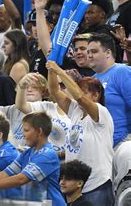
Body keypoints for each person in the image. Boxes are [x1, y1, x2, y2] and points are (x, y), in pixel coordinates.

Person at [0, 112, 66, 205]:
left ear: (39, 131)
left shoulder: (47, 155)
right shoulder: (28, 153)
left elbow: (21, 179)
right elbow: (5, 173)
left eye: (26, 130)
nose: (22, 134)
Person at [47, 61, 114, 205]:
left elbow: (79, 97)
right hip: (76, 186)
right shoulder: (75, 111)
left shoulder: (101, 112)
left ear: (96, 95)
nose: (76, 92)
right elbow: (53, 91)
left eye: (83, 91)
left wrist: (60, 71)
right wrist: (51, 69)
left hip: (97, 184)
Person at [87, 33, 131, 147]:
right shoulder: (91, 80)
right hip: (101, 146)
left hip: (123, 142)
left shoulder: (122, 71)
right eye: (88, 52)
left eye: (94, 51)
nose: (89, 55)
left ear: (108, 53)